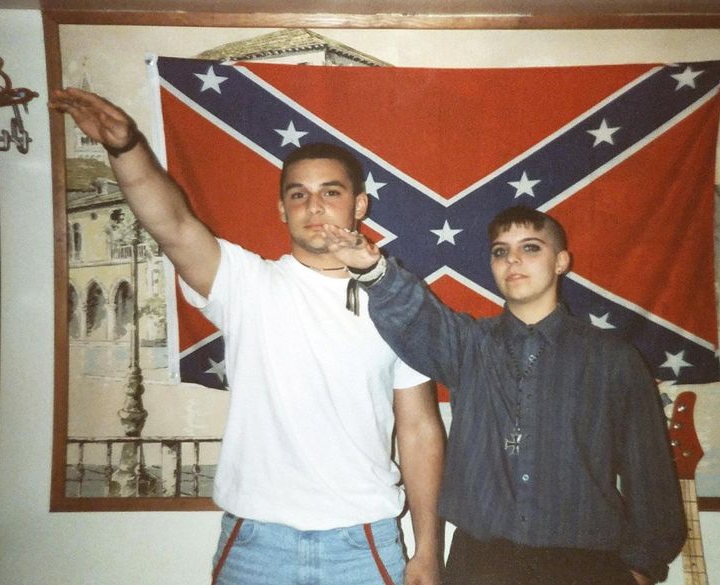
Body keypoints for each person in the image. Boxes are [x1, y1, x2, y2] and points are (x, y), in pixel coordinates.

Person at [49, 87, 445, 585]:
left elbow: (419, 429)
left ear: (359, 205)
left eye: (331, 191)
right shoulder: (247, 283)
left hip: (362, 541)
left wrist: (429, 548)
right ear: (282, 209)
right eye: (298, 194)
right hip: (256, 546)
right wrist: (128, 149)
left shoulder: (397, 299)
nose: (314, 205)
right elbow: (171, 224)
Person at [323, 206, 687, 585]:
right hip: (482, 566)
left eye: (530, 248)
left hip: (586, 565)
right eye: (500, 251)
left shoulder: (614, 361)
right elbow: (418, 319)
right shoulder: (469, 347)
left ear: (561, 261)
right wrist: (373, 270)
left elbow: (650, 474)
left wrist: (644, 568)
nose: (513, 259)